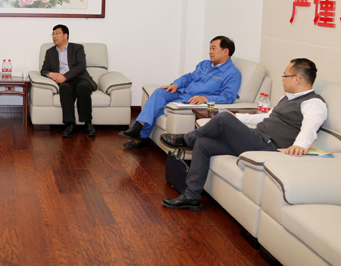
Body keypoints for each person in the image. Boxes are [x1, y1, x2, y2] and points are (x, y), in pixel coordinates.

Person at [160, 58, 327, 210]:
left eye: (285, 76)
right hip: (257, 139)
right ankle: (192, 197)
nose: (283, 79)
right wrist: (237, 117)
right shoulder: (286, 99)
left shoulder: (313, 102)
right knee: (203, 143)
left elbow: (310, 125)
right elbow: (265, 117)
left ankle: (186, 139)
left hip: (270, 147)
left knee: (223, 118)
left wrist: (300, 145)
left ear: (297, 79)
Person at [121, 36, 241, 150]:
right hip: (183, 92)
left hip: (191, 101)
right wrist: (175, 85)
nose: (210, 52)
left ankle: (141, 137)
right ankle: (137, 128)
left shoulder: (233, 73)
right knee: (159, 92)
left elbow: (228, 97)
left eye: (214, 48)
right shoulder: (205, 64)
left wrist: (205, 98)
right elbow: (189, 77)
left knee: (158, 108)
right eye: (210, 48)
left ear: (226, 51)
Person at [41, 24, 98, 138]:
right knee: (64, 89)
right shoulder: (50, 52)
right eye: (53, 34)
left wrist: (65, 76)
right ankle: (70, 124)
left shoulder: (77, 48)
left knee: (83, 88)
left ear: (65, 35)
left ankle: (88, 123)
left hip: (80, 78)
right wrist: (51, 74)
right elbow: (44, 70)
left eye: (57, 33)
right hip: (65, 82)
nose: (54, 36)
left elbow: (81, 66)